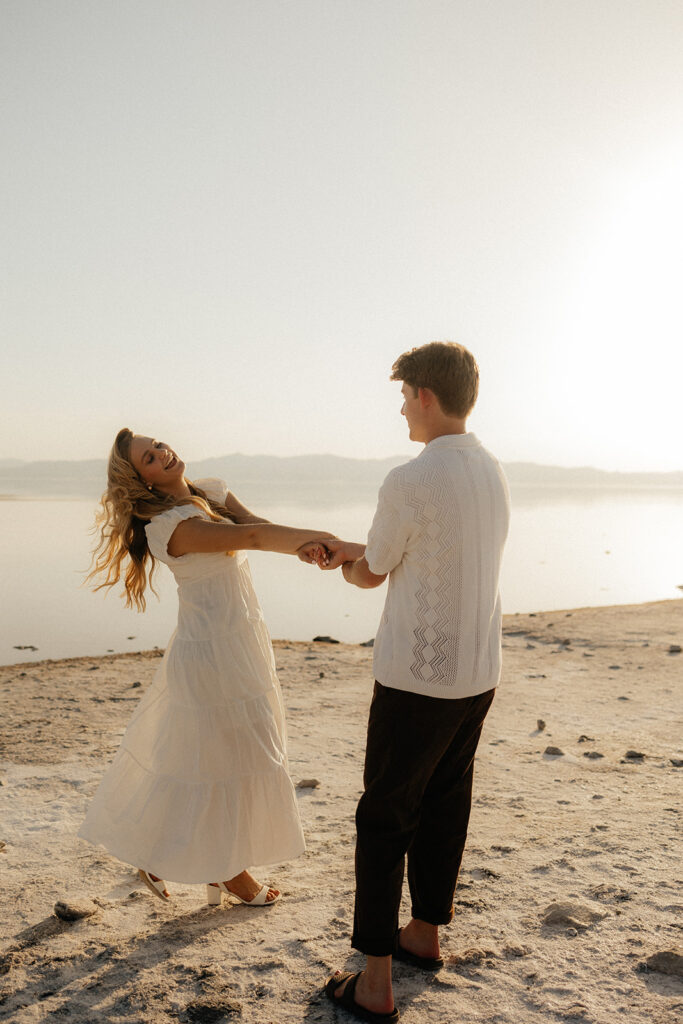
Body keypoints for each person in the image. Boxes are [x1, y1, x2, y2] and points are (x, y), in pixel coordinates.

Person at [319, 342, 510, 1023]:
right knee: (444, 803)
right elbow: (424, 554)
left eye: (403, 395)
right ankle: (423, 934)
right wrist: (362, 554)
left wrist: (343, 563)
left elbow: (372, 570)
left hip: (417, 682)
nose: (401, 407)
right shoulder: (491, 471)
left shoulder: (408, 478)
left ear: (425, 395)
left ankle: (373, 978)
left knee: (383, 817)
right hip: (475, 675)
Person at [80, 428, 333, 907]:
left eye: (159, 445)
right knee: (225, 756)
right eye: (150, 458)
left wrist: (309, 549)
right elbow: (251, 537)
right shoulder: (167, 528)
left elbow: (256, 522)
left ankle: (175, 859)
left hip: (242, 640)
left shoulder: (210, 492)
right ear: (142, 481)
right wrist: (334, 541)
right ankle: (228, 870)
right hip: (208, 654)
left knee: (226, 754)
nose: (163, 453)